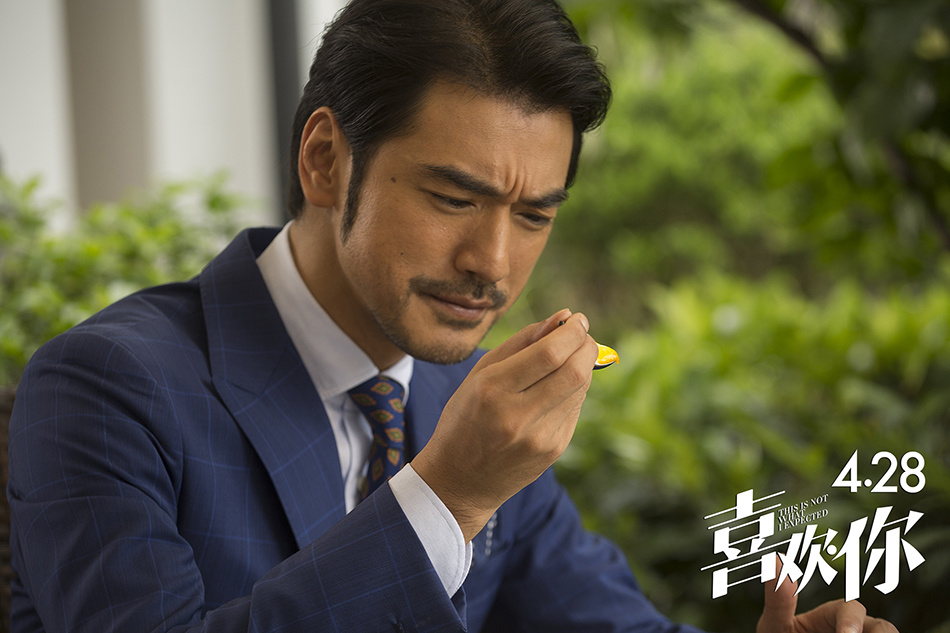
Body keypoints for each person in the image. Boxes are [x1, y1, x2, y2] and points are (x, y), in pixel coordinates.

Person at [8, 0, 897, 631]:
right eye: (453, 197)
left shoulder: (458, 393)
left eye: (535, 214)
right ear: (325, 160)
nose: (494, 263)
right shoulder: (107, 388)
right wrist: (448, 494)